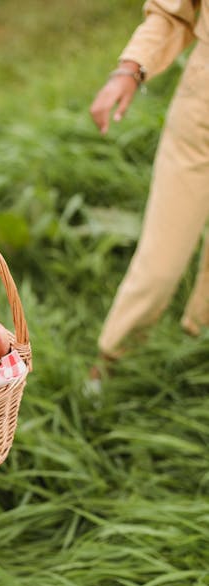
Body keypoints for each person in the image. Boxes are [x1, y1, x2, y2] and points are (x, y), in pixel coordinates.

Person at [88, 0, 209, 376]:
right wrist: (130, 68)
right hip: (201, 120)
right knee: (159, 265)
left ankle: (195, 345)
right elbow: (174, 11)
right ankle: (110, 364)